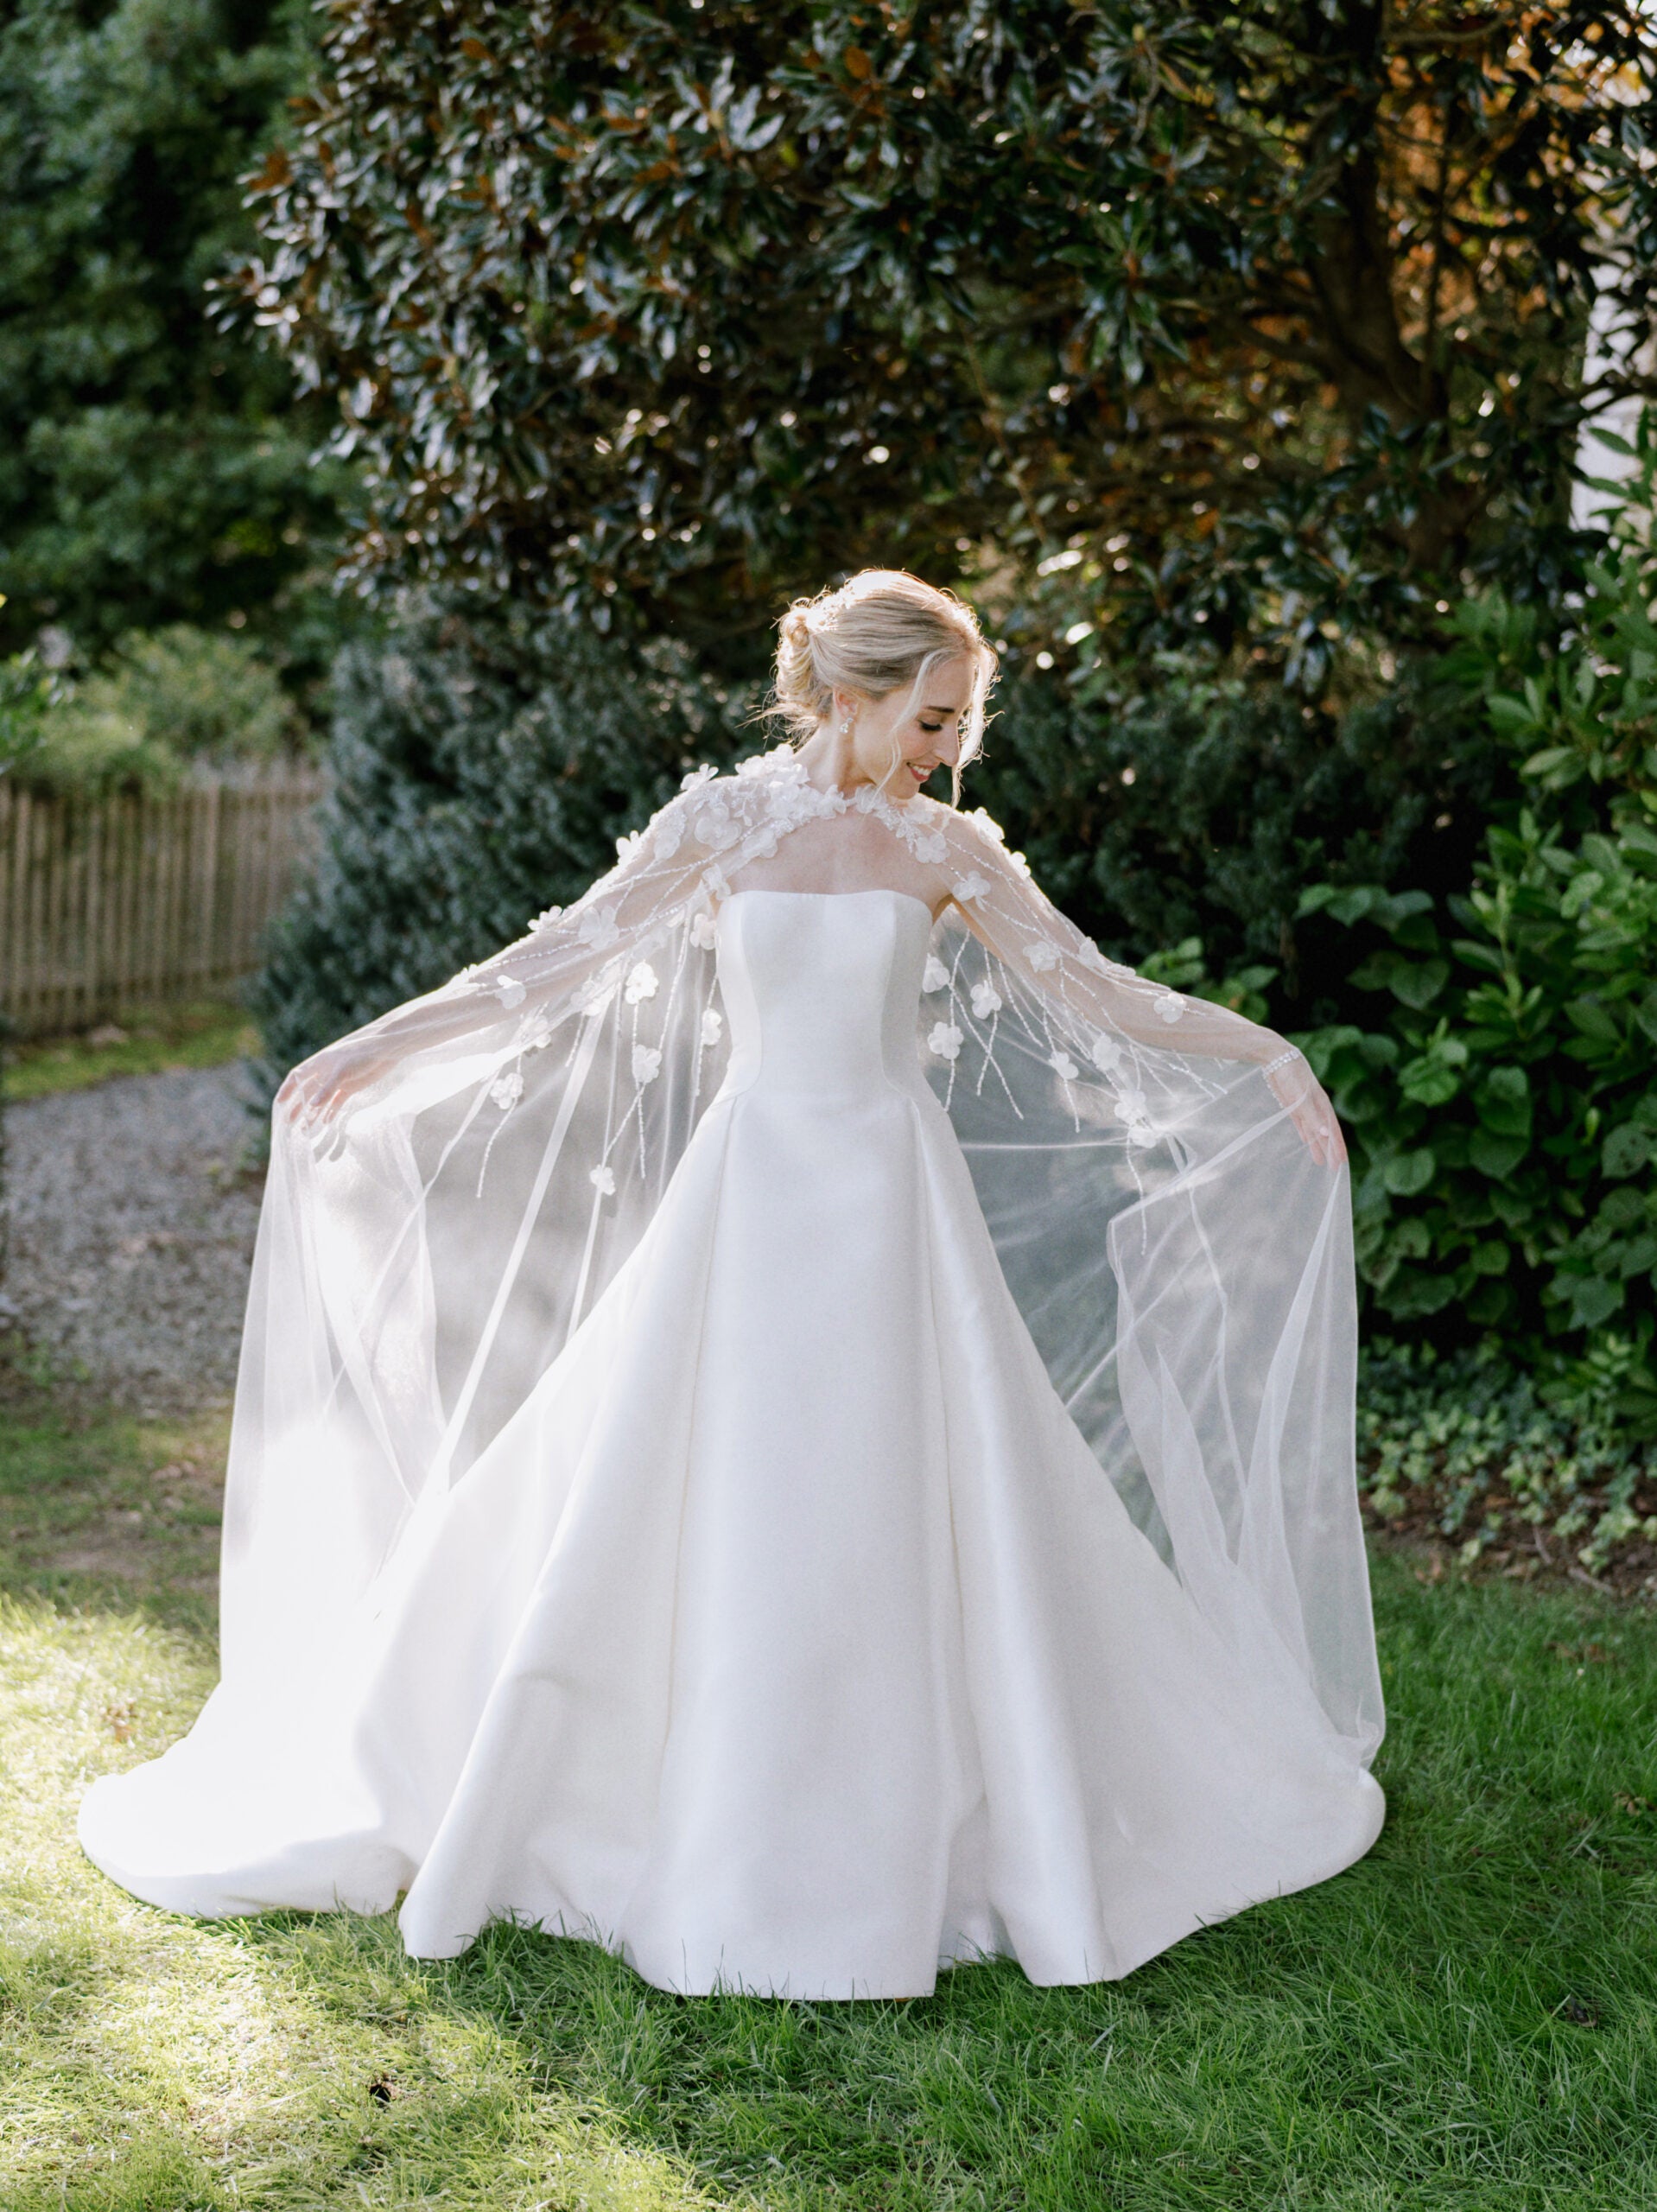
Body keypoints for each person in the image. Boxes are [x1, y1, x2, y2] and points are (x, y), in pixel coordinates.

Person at [79, 569, 1385, 1999]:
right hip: (748, 1196)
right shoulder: (720, 824)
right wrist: (375, 1046)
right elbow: (549, 963)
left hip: (895, 1203)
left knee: (908, 1489)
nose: (948, 749)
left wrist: (1268, 1054)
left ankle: (922, 1796)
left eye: (959, 724)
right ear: (850, 694)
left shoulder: (949, 850)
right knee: (688, 1482)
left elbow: (1102, 991)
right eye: (932, 717)